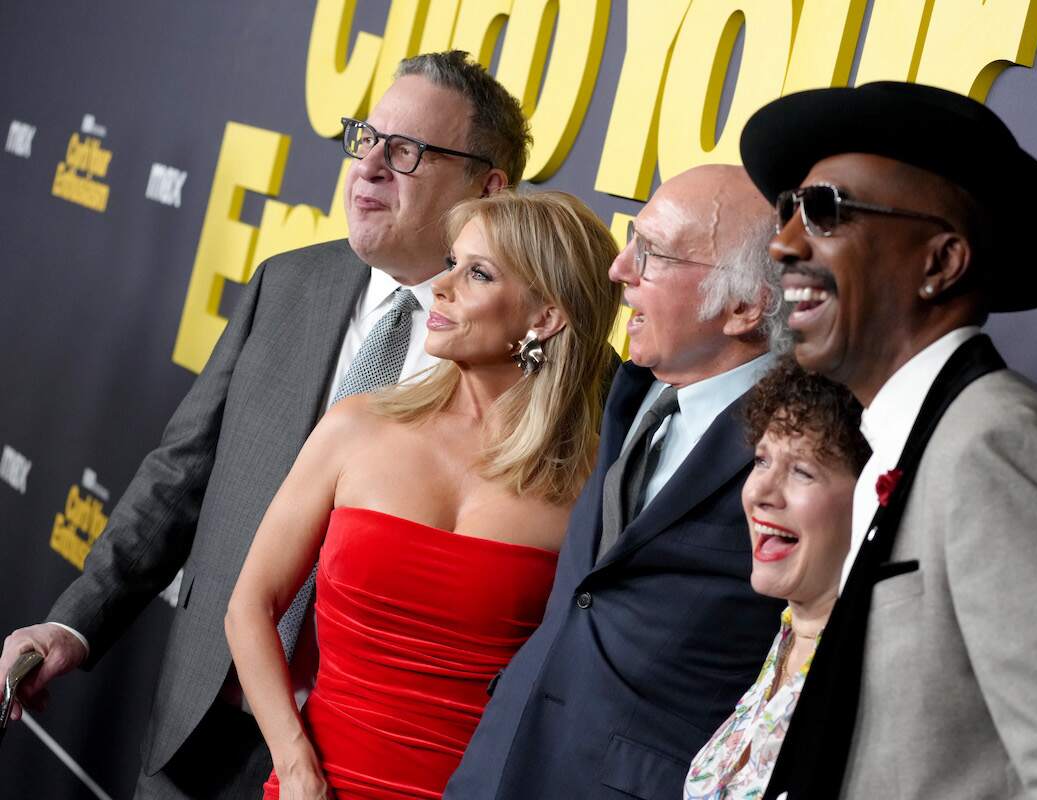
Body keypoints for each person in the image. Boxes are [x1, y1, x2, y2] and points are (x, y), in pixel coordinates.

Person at [0, 50, 529, 799]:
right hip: (202, 723)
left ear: (489, 186)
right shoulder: (287, 284)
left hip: (367, 760)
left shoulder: (522, 364)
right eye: (365, 138)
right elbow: (179, 476)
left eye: (406, 151)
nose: (370, 167)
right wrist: (73, 625)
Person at [738, 81, 1037, 798]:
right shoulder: (907, 443)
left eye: (824, 212)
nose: (784, 242)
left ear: (940, 263)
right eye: (788, 210)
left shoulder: (994, 443)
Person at [225, 189, 622, 799]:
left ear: (545, 317)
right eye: (451, 262)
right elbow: (250, 605)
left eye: (478, 273)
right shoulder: (357, 426)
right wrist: (296, 763)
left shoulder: (593, 485)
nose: (442, 285)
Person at [444, 164, 786, 800]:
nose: (619, 269)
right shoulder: (631, 392)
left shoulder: (803, 446)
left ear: (744, 306)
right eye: (633, 239)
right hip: (497, 765)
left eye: (652, 254)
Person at [684, 359, 870, 800]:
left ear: (870, 495)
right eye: (761, 460)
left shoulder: (871, 673)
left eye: (802, 471)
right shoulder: (788, 634)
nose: (760, 492)